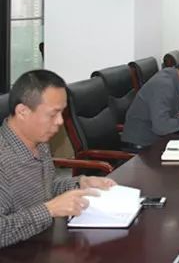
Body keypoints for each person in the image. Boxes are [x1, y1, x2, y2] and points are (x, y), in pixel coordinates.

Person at [0, 70, 116, 248]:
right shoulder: (3, 160)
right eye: (53, 114)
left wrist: (80, 183)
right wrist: (49, 210)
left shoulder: (39, 141)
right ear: (22, 111)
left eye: (62, 113)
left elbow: (46, 187)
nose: (60, 121)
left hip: (41, 243)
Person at [122, 49, 179, 149]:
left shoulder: (177, 78)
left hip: (160, 139)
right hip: (142, 147)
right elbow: (161, 127)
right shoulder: (164, 85)